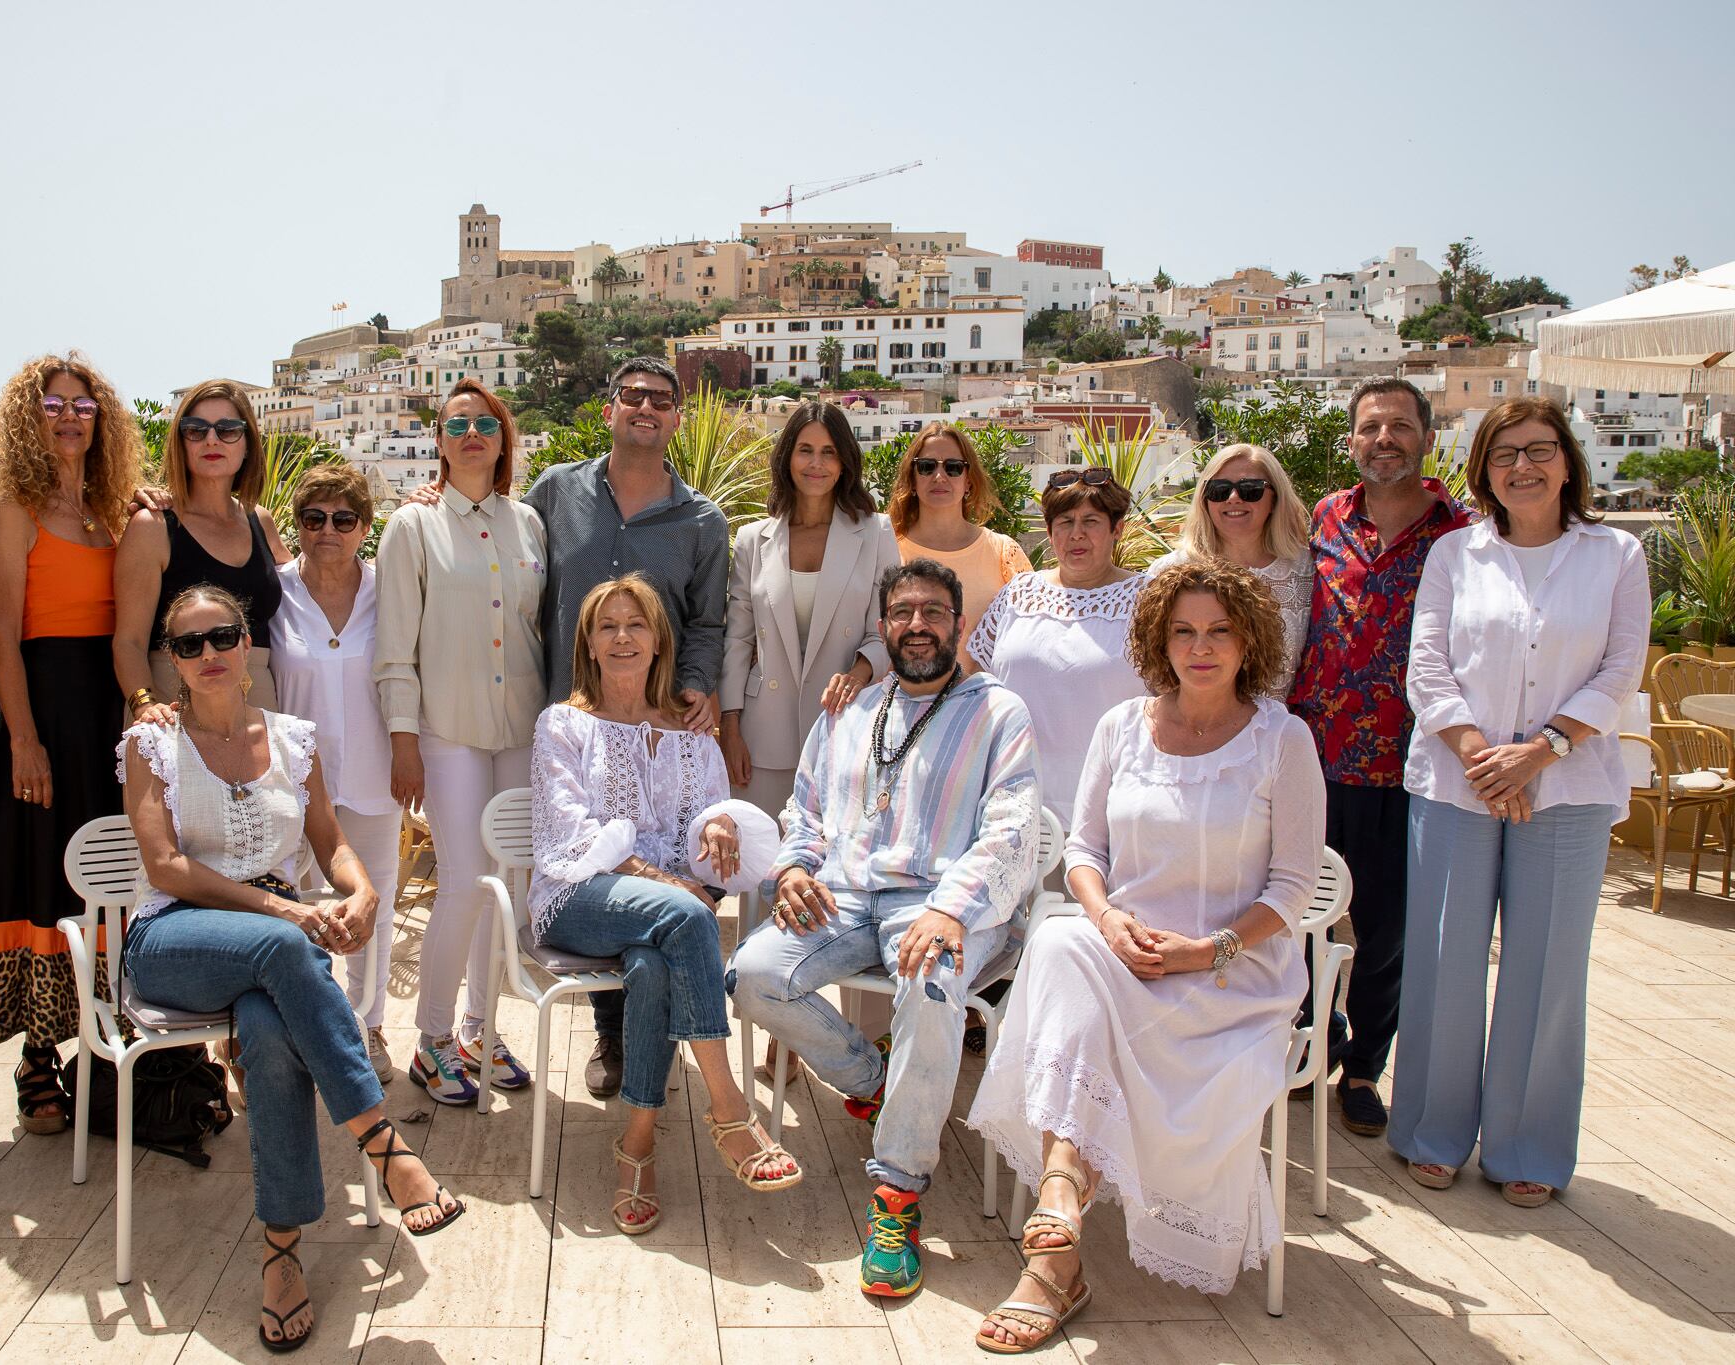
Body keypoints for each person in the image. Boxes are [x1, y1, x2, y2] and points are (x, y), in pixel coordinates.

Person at [966, 560, 1324, 1350]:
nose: (1201, 647)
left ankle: (1054, 1246)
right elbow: (1085, 849)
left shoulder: (1281, 738)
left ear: (1249, 640)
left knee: (1089, 995)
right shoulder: (1122, 726)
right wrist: (1107, 916)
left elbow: (1296, 883)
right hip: (1126, 950)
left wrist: (1212, 947)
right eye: (1184, 631)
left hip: (1233, 973)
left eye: (1219, 631)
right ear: (1160, 640)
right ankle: (1063, 1196)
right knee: (1060, 935)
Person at [120, 584, 464, 1353]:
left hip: (271, 953)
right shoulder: (150, 745)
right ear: (172, 660)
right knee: (286, 947)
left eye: (222, 635)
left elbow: (330, 842)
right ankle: (383, 1143)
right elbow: (166, 867)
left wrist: (364, 888)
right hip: (176, 939)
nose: (208, 653)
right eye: (189, 643)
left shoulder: (292, 739)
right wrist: (285, 913)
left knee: (272, 1032)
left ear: (248, 643)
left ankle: (281, 1252)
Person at [727, 559, 1040, 1301]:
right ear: (884, 626)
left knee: (931, 981)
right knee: (749, 974)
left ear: (958, 626)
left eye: (934, 611)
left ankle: (897, 1196)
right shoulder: (852, 710)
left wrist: (950, 907)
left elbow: (1013, 825)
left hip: (943, 898)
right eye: (902, 612)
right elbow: (804, 808)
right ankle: (874, 1080)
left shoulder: (998, 711)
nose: (918, 624)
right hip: (846, 893)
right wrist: (797, 866)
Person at [1392, 398, 1648, 1209]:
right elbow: (1425, 663)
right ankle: (1431, 1131)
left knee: (1545, 971)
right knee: (1444, 960)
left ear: (1568, 461)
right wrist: (1478, 753)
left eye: (1540, 450)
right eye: (1504, 454)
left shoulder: (1616, 554)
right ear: (1483, 469)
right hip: (1455, 781)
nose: (1523, 467)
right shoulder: (1452, 555)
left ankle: (1528, 1146)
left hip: (1567, 786)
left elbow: (1620, 667)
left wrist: (1540, 750)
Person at [531, 576, 801, 1234]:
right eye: (607, 626)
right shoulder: (563, 724)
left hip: (663, 913)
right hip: (578, 896)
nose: (622, 637)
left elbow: (707, 831)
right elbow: (569, 836)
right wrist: (668, 880)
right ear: (588, 645)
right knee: (684, 915)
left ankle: (638, 1148)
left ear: (658, 642)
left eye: (636, 625)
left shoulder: (692, 731)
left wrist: (717, 830)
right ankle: (730, 1109)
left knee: (654, 963)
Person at [522, 356, 731, 1099]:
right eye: (633, 395)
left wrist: (697, 688)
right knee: (604, 860)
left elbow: (708, 620)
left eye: (662, 400)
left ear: (678, 419)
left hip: (652, 721)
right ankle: (694, 1078)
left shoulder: (703, 520)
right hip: (571, 721)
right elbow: (504, 555)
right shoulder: (552, 492)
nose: (646, 407)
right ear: (609, 409)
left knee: (640, 852)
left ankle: (625, 1053)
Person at [1288, 377, 1469, 1138]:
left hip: (1407, 761)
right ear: (1352, 440)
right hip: (1313, 755)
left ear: (1427, 436)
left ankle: (1364, 1066)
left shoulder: (1460, 533)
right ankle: (1310, 1044)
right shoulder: (1323, 518)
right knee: (1299, 915)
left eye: (1399, 425)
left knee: (1386, 926)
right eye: (1370, 427)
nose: (1384, 438)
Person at [0, 353, 143, 1136]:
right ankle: (38, 1057)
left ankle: (106, 1042)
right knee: (46, 871)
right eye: (53, 404)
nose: (70, 416)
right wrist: (24, 740)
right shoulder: (12, 509)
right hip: (46, 708)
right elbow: (0, 636)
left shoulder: (116, 512)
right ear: (27, 418)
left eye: (83, 404)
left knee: (109, 873)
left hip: (108, 713)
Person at [375, 378, 546, 1103]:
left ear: (504, 438)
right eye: (456, 424)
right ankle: (433, 1038)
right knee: (464, 882)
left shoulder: (530, 523)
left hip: (520, 728)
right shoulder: (411, 527)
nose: (471, 433)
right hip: (446, 732)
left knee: (506, 884)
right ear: (438, 441)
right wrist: (403, 740)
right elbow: (394, 648)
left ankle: (481, 1027)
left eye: (485, 422)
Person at [270, 463, 404, 1082]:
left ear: (364, 527)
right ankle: (297, 1030)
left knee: (372, 903)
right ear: (296, 525)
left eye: (343, 519)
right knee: (290, 904)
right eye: (313, 518)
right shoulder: (273, 593)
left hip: (377, 775)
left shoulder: (391, 590)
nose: (328, 530)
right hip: (291, 783)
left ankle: (369, 1026)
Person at [721, 399, 898, 822]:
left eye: (828, 452)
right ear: (787, 458)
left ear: (844, 463)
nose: (815, 464)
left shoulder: (876, 533)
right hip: (764, 736)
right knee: (763, 871)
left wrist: (857, 674)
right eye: (805, 450)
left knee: (836, 870)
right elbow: (738, 639)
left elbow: (891, 627)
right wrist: (729, 728)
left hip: (847, 724)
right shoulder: (752, 539)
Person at [967, 467, 1147, 829]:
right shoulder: (1018, 593)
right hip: (1009, 812)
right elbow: (975, 681)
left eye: (1091, 521)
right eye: (1065, 521)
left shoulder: (1149, 599)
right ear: (1050, 532)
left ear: (1117, 529)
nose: (1077, 534)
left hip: (1113, 816)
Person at [114, 379, 289, 727]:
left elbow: (318, 581)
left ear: (248, 444)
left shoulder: (261, 521)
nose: (212, 439)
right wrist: (144, 705)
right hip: (172, 704)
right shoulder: (152, 527)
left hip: (257, 706)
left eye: (227, 429)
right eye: (195, 430)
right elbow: (129, 641)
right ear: (181, 443)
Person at [1152, 443, 1314, 688]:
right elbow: (1150, 668)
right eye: (1219, 490)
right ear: (1205, 500)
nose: (1233, 498)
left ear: (1275, 499)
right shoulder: (1168, 572)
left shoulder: (1309, 571)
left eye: (1250, 489)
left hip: (1285, 725)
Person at [886, 422, 1032, 666]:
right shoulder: (887, 548)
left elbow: (1030, 636)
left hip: (986, 702)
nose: (939, 476)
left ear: (968, 481)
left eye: (953, 468)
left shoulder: (1003, 552)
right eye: (926, 467)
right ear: (912, 479)